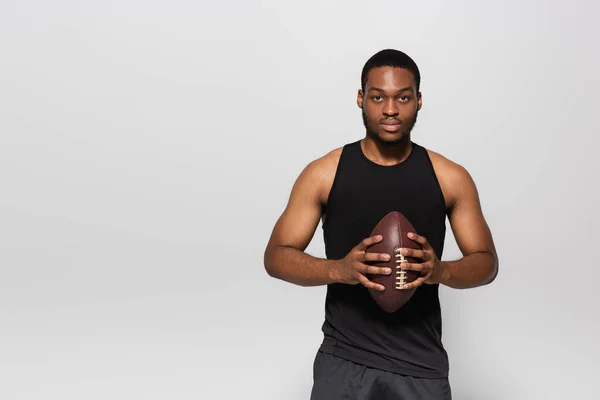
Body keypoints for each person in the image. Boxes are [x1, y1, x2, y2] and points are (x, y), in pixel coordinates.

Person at [263, 49, 499, 400]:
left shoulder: (450, 177)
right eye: (378, 97)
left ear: (419, 101)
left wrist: (441, 272)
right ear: (361, 99)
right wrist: (339, 270)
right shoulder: (324, 174)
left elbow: (487, 262)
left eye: (403, 97)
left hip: (421, 365)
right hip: (344, 359)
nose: (390, 109)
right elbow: (276, 257)